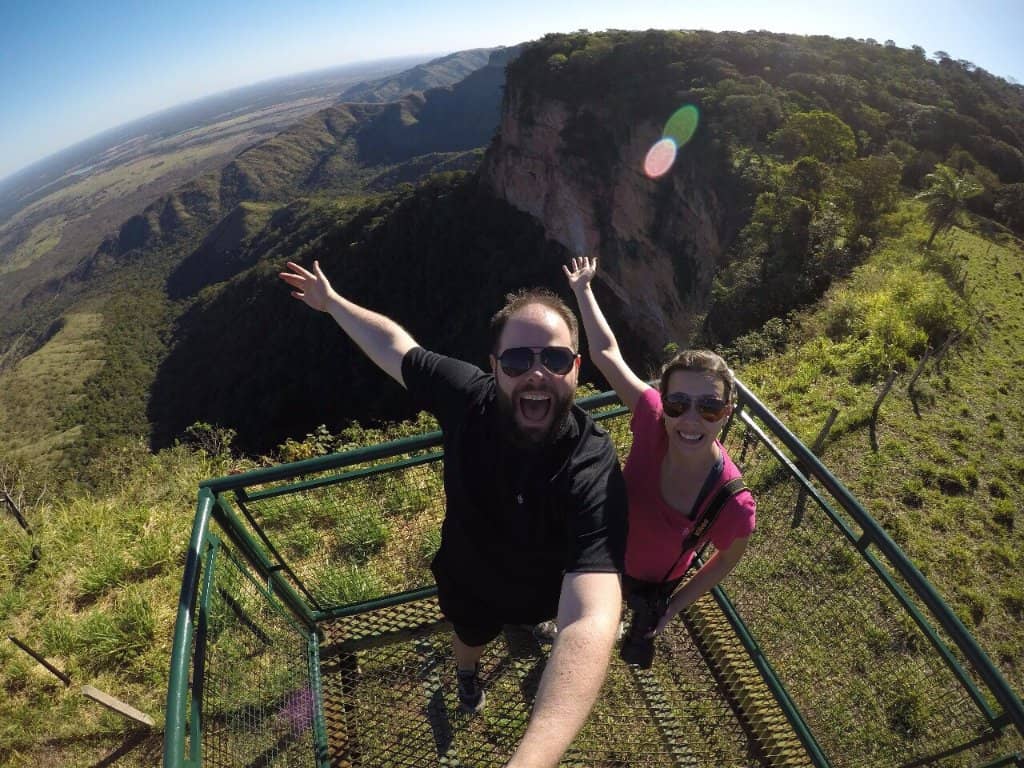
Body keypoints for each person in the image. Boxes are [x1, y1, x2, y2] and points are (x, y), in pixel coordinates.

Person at [279, 260, 628, 767]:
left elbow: (593, 616)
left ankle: (512, 638)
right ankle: (467, 674)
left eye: (554, 358)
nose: (536, 372)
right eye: (517, 360)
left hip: (543, 593)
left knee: (540, 625)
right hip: (470, 578)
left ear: (576, 367)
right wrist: (332, 303)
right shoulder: (467, 399)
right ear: (493, 366)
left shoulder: (592, 462)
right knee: (469, 639)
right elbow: (398, 349)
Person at [562, 255, 755, 667]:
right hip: (603, 551)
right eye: (678, 403)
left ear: (727, 411)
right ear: (663, 404)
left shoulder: (733, 504)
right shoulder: (651, 419)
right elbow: (606, 354)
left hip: (653, 581)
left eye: (708, 407)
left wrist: (673, 606)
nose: (689, 419)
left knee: (634, 625)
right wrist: (583, 289)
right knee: (581, 611)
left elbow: (725, 562)